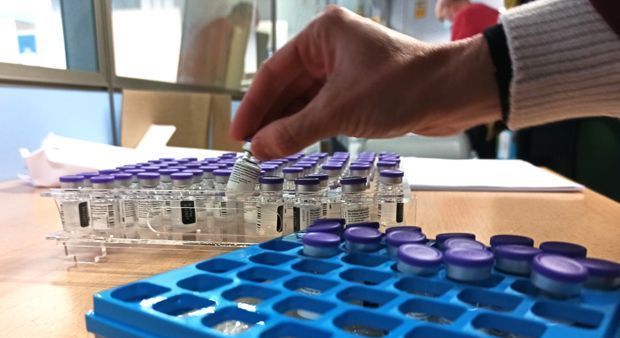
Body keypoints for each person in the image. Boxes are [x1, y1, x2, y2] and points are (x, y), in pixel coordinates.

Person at [230, 0, 620, 161]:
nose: (447, 20)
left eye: (445, 15)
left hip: (537, 113)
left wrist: (437, 83)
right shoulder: (484, 12)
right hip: (527, 106)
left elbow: (464, 61)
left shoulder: (471, 14)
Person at [435, 0, 501, 158]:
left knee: (478, 152)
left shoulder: (465, 16)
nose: (449, 22)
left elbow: (456, 64)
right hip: (500, 98)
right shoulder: (491, 13)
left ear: (449, 7)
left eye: (445, 18)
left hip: (480, 104)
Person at [435, 0, 499, 42]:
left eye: (447, 19)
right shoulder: (485, 8)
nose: (450, 23)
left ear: (449, 7)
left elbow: (457, 53)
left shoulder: (464, 17)